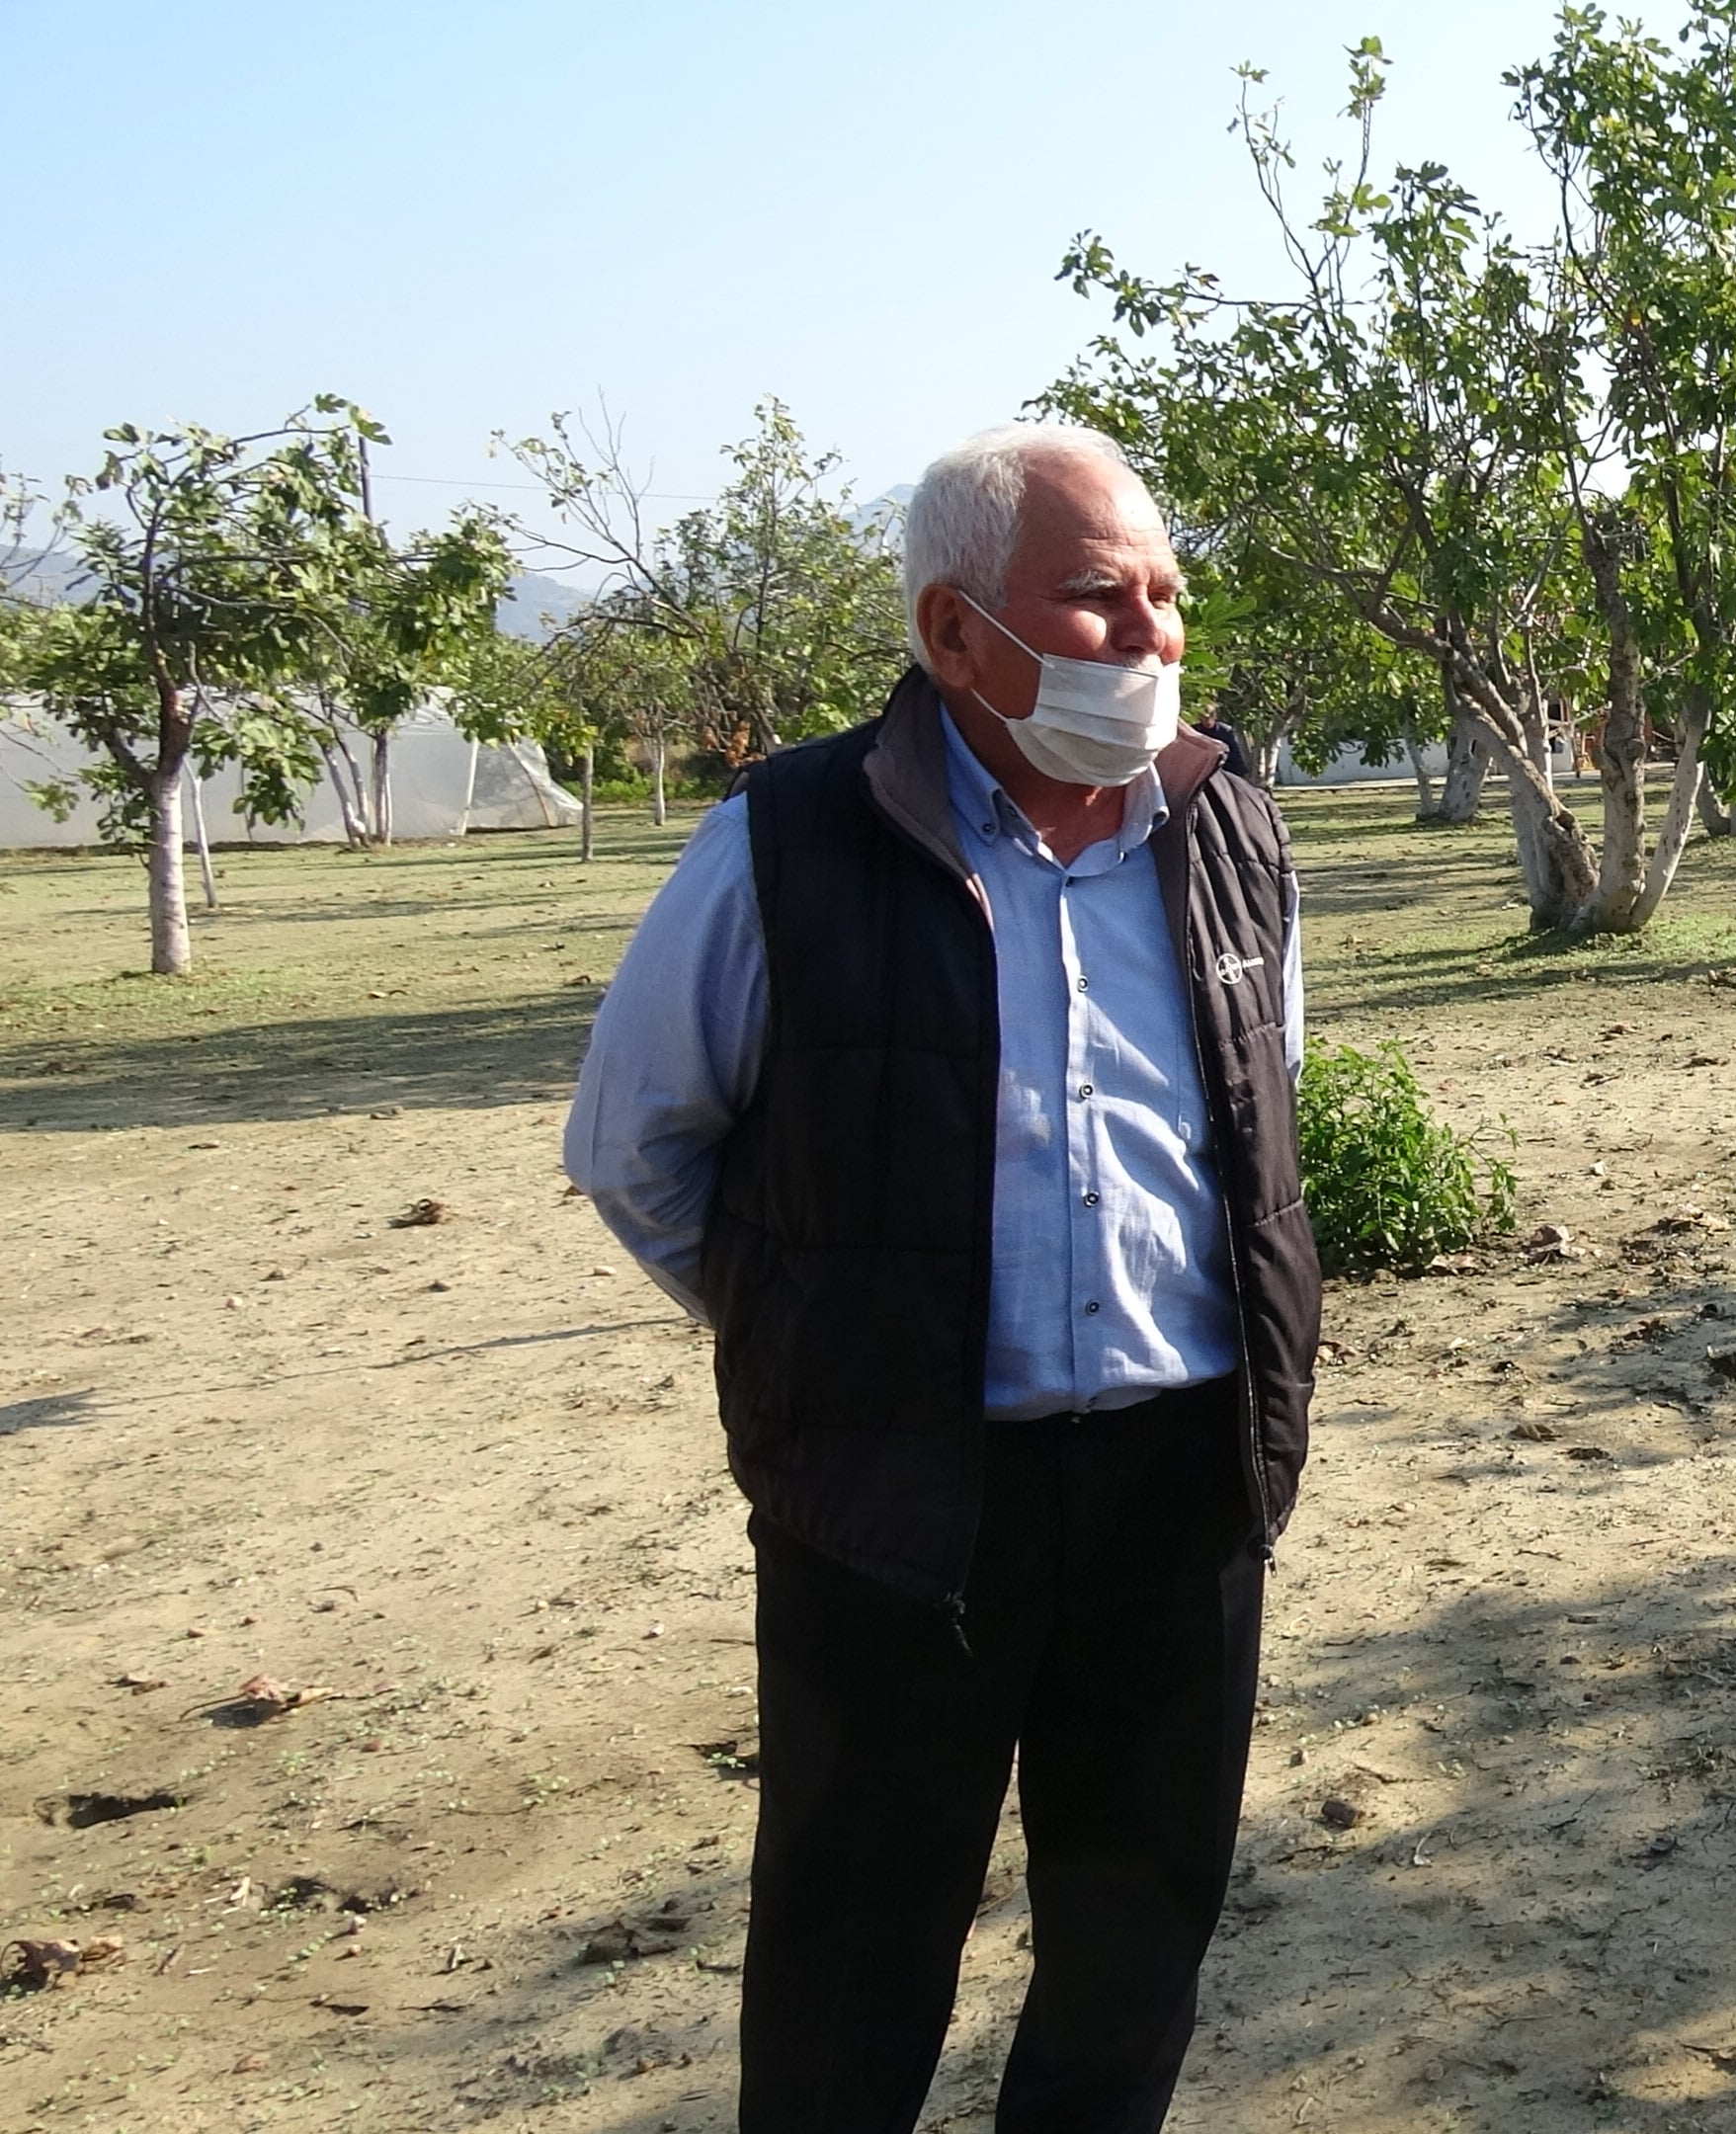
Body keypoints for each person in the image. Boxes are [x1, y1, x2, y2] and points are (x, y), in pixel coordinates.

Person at [564, 421, 1319, 2133]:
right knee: (850, 1970)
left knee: (1134, 1961)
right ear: (951, 631)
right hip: (899, 1503)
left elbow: (1253, 1134)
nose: (1149, 640)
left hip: (1176, 1487)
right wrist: (842, 1342)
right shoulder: (789, 843)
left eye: (1167, 600)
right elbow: (638, 1150)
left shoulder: (1231, 837)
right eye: (1094, 599)